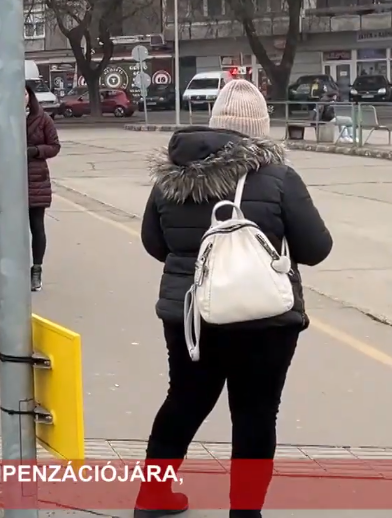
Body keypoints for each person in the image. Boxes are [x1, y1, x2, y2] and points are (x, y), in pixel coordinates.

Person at [136, 79, 333, 518]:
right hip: (264, 319)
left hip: (190, 314)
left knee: (184, 401)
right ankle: (245, 512)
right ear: (259, 129)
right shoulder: (280, 178)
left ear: (214, 123)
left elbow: (154, 242)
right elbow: (317, 249)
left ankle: (152, 498)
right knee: (255, 413)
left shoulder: (171, 177)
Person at [25, 84, 60, 292]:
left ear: (30, 96)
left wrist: (36, 151)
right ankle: (15, 269)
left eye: (25, 93)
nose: (22, 97)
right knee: (13, 228)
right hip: (13, 179)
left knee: (36, 226)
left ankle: (36, 269)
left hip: (36, 179)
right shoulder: (6, 117)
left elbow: (55, 146)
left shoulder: (43, 118)